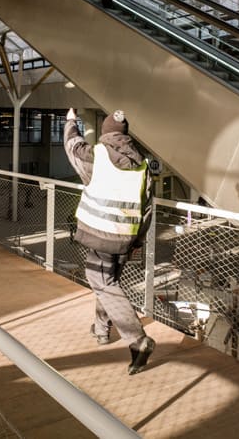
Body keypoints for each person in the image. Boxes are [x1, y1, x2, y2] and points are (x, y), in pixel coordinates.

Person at [64, 107, 156, 375]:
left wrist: (71, 121)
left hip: (101, 234)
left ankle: (138, 341)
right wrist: (138, 241)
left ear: (105, 134)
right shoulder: (142, 164)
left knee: (102, 283)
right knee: (109, 283)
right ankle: (102, 330)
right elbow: (147, 208)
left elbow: (72, 147)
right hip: (126, 237)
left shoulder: (98, 155)